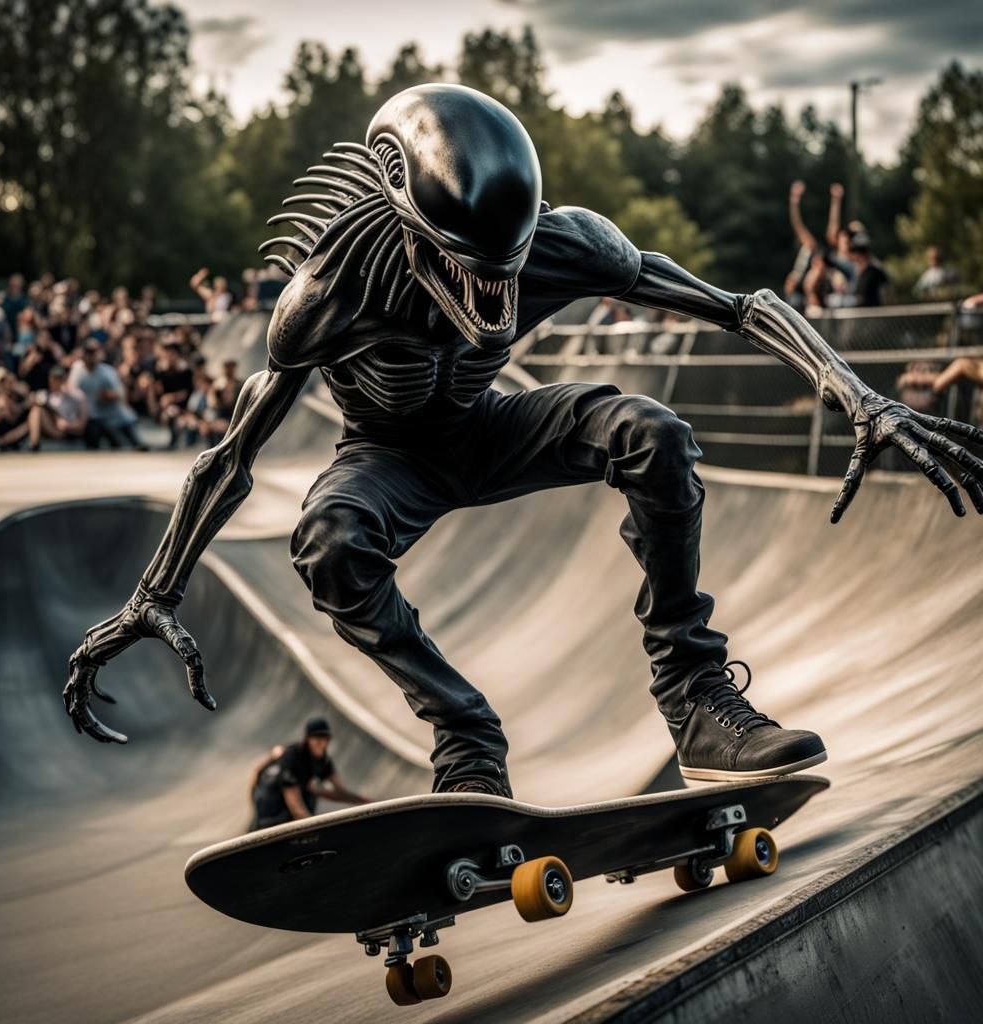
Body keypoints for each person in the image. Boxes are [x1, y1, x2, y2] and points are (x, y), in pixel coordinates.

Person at [66, 84, 983, 799]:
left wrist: (859, 394)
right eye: (469, 267)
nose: (492, 296)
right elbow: (231, 458)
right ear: (408, 222)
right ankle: (465, 736)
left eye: (505, 268)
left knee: (653, 435)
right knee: (331, 543)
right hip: (385, 456)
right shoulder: (332, 293)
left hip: (497, 424)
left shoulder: (562, 244)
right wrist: (152, 595)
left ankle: (697, 696)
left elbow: (742, 306)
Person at [248, 718, 370, 830]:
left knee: (312, 792)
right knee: (305, 798)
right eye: (317, 739)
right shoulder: (293, 757)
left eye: (325, 739)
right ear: (308, 739)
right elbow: (296, 808)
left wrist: (368, 804)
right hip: (270, 803)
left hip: (291, 795)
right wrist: (317, 830)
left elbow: (341, 792)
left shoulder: (323, 761)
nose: (322, 743)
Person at [68, 338, 147, 449]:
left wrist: (110, 395)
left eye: (93, 353)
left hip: (110, 414)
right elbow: (70, 390)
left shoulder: (107, 372)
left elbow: (120, 394)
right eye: (88, 353)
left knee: (125, 426)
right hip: (89, 417)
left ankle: (136, 445)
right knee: (94, 439)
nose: (90, 356)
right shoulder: (77, 369)